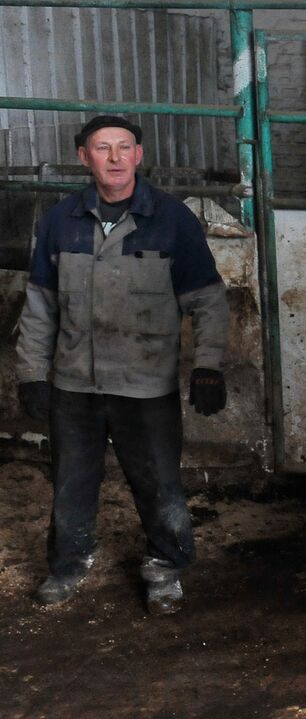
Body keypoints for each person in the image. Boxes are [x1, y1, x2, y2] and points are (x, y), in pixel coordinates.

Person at [14, 114, 230, 615]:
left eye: (124, 147)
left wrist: (209, 365)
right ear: (83, 157)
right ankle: (70, 562)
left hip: (145, 384)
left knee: (158, 481)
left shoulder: (172, 219)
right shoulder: (60, 221)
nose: (114, 158)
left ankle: (165, 568)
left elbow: (207, 300)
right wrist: (31, 373)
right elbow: (41, 304)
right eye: (102, 148)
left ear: (138, 155)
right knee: (70, 480)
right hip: (75, 382)